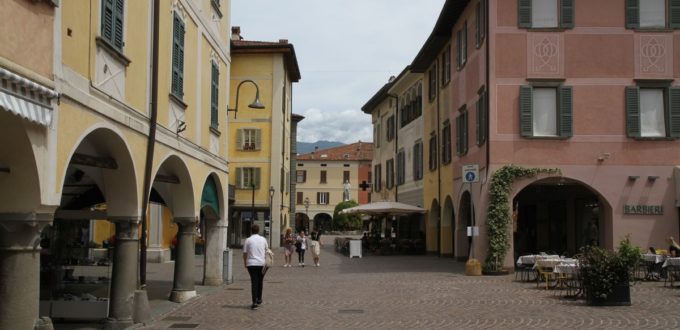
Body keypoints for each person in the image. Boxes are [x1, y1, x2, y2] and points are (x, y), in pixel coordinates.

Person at [243, 224, 268, 310]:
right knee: (260, 281)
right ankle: (259, 298)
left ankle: (254, 302)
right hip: (261, 263)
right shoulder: (263, 239)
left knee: (254, 282)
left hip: (251, 263)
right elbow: (267, 251)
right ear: (258, 230)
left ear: (251, 230)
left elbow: (245, 253)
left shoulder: (248, 240)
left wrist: (245, 262)